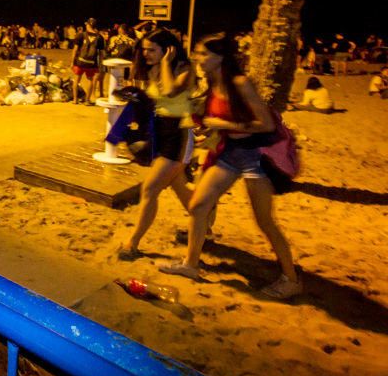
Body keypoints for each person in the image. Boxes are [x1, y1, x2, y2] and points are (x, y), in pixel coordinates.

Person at [160, 33, 301, 299]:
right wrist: (210, 131)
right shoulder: (214, 82)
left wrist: (225, 125)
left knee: (265, 221)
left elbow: (266, 124)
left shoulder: (240, 83)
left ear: (221, 57)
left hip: (255, 158)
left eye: (203, 54)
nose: (198, 59)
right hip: (229, 154)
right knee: (198, 206)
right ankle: (190, 264)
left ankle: (291, 279)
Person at [118, 29, 196, 260]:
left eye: (152, 49)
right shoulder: (152, 69)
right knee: (179, 187)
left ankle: (132, 243)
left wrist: (165, 64)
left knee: (150, 189)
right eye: (144, 49)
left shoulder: (185, 69)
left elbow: (170, 91)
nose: (146, 54)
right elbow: (155, 101)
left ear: (168, 49)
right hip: (160, 133)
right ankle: (205, 224)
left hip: (179, 135)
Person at [71, 18, 104, 104]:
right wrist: (100, 64)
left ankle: (75, 99)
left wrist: (72, 62)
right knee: (90, 80)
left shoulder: (81, 35)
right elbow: (101, 53)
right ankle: (87, 100)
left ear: (88, 25)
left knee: (76, 80)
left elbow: (75, 49)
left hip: (80, 61)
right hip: (91, 63)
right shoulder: (99, 37)